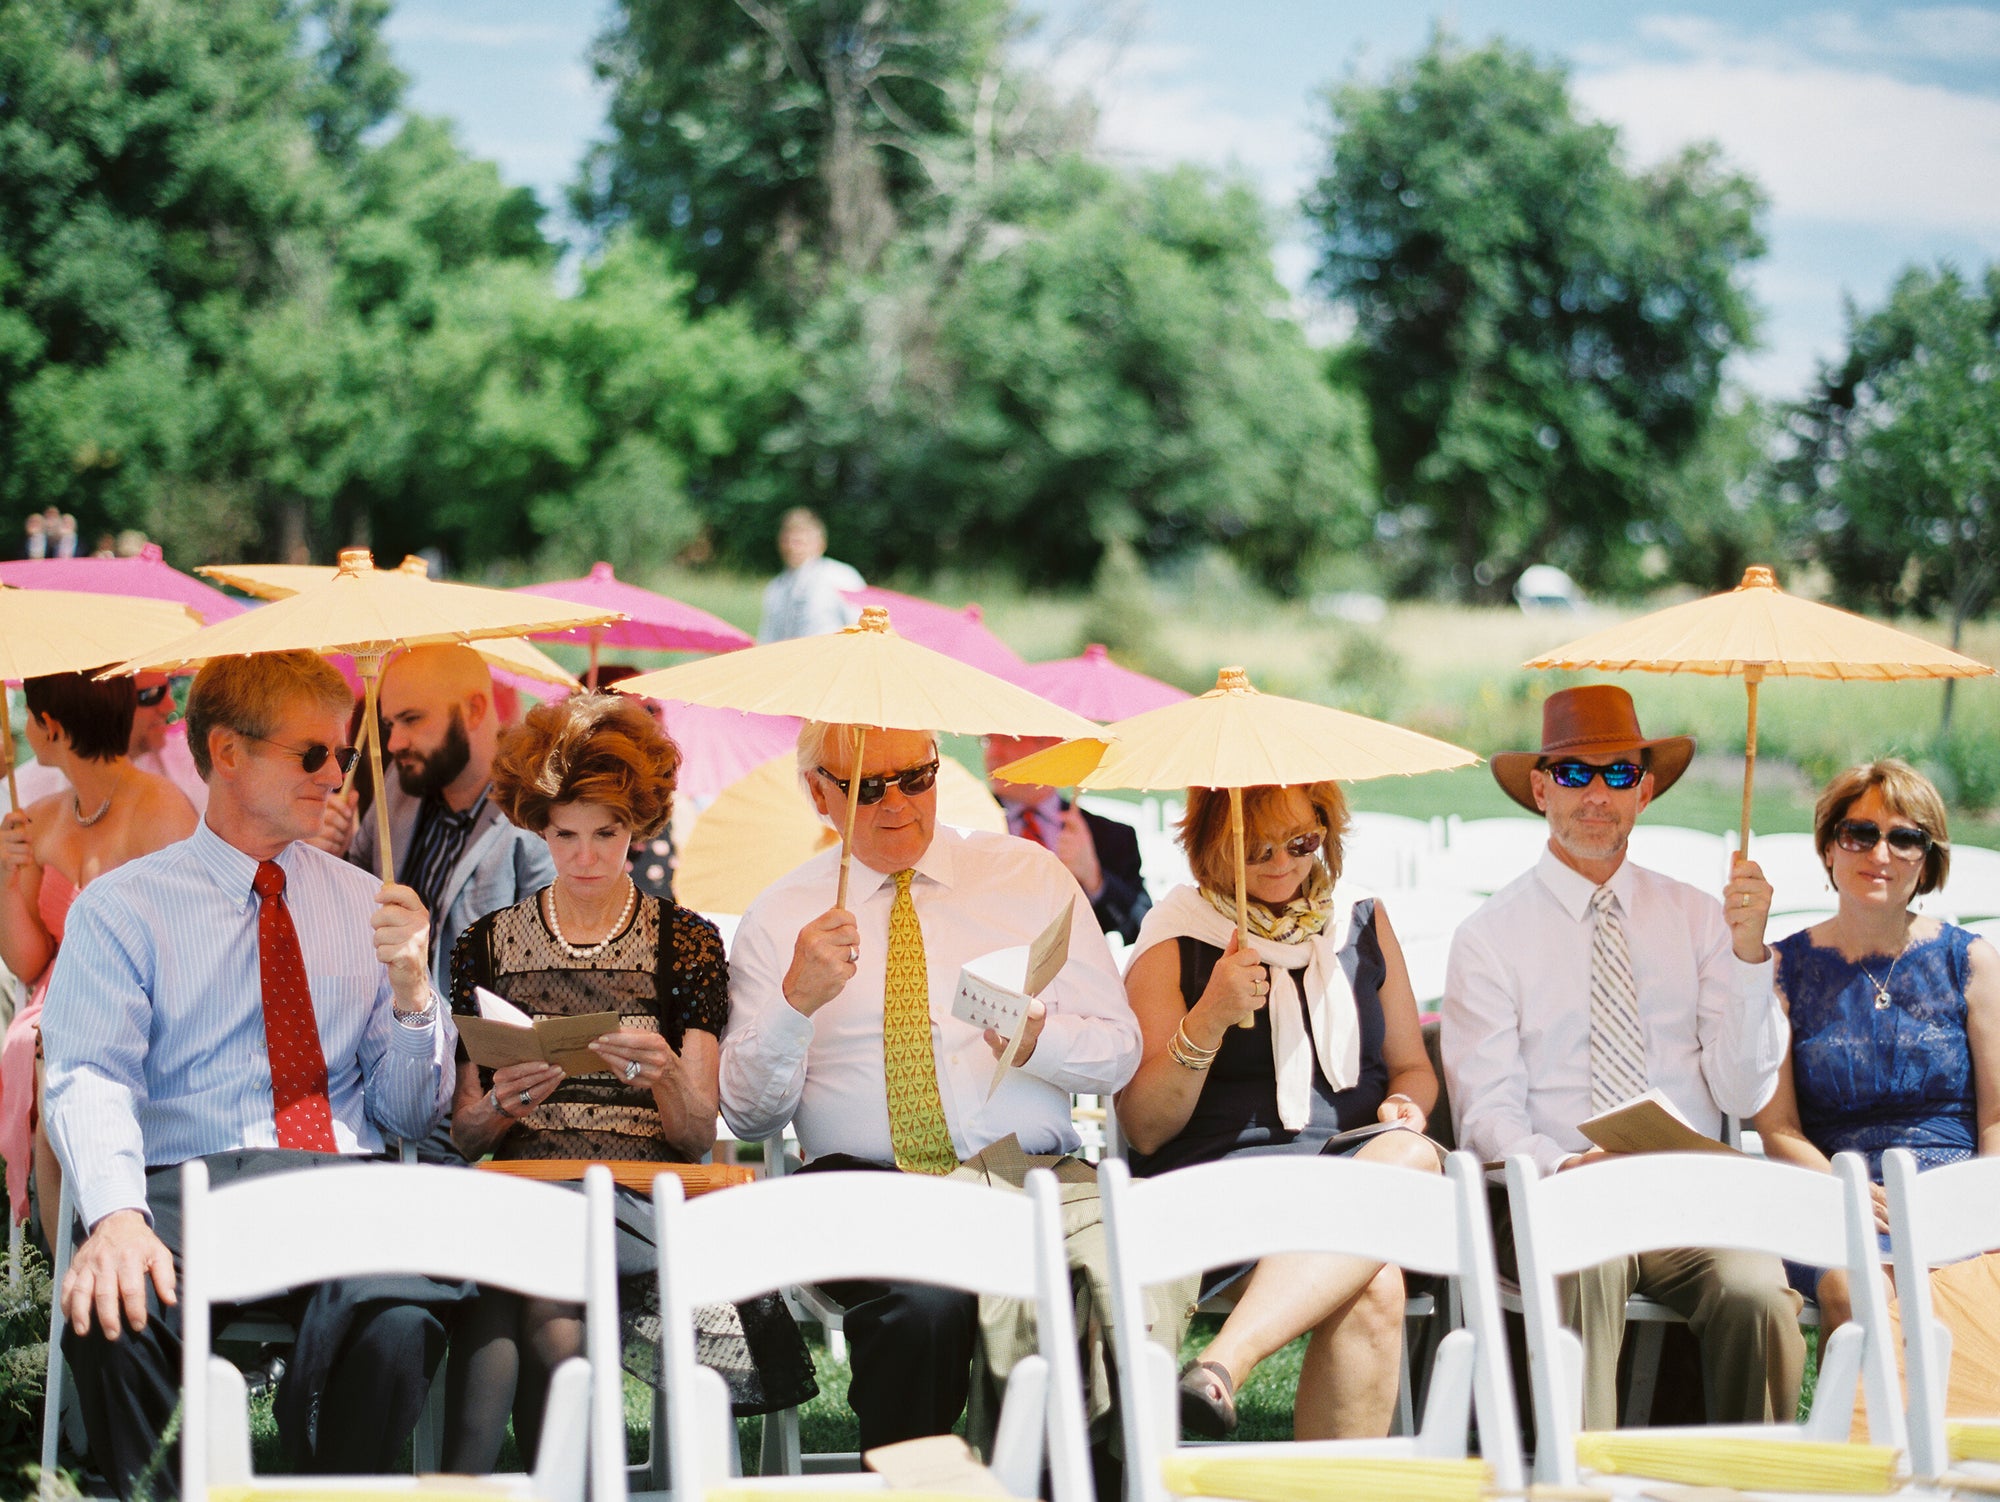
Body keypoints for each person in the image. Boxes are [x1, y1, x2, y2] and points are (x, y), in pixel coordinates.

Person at [39, 650, 455, 1498]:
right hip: (192, 1188)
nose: (337, 775)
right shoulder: (125, 907)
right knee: (119, 1292)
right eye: (313, 755)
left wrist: (415, 992)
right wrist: (114, 1215)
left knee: (405, 1317)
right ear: (227, 752)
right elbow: (89, 1074)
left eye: (343, 753)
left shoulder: (365, 900)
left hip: (342, 1183)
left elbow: (411, 1115)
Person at [723, 722, 1139, 1449]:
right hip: (870, 1186)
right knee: (923, 1305)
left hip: (1025, 1172)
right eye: (866, 787)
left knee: (1090, 1293)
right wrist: (796, 1003)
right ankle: (909, 1482)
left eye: (916, 777)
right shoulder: (780, 917)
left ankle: (1066, 1483)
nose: (898, 804)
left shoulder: (1027, 876)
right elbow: (751, 1115)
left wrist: (1044, 1038)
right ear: (818, 792)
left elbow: (1120, 1053)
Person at [439, 692, 812, 1470]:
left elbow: (695, 1133)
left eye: (606, 834)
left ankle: (470, 1485)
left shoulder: (686, 944)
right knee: (532, 1313)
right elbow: (464, 1132)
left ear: (637, 827)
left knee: (518, 1302)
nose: (585, 857)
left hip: (640, 1208)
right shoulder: (487, 945)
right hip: (524, 1193)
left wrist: (669, 1071)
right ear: (538, 827)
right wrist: (504, 1103)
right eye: (565, 835)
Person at [1442, 683, 1796, 1431]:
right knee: (1592, 1251)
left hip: (1685, 1193)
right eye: (1574, 774)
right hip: (1559, 1187)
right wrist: (1570, 1167)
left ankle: (1751, 1484)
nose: (1595, 794)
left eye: (1617, 774)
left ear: (1645, 791)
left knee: (1759, 1292)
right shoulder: (1489, 936)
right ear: (1541, 789)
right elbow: (1487, 1115)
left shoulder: (1702, 918)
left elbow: (1739, 1089)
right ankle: (1583, 1480)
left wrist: (1748, 955)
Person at [1116, 780, 1442, 1439]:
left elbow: (1412, 1068)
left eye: (1301, 842)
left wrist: (1408, 1102)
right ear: (1212, 846)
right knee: (1375, 1275)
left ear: (1326, 829)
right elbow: (1145, 1128)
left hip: (1349, 1167)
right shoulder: (1176, 936)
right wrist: (1209, 1019)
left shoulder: (1361, 918)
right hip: (1219, 1183)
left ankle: (1220, 1365)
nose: (1280, 863)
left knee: (1409, 1151)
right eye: (1255, 848)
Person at [1751, 759, 2000, 1333]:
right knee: (1857, 1287)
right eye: (1859, 833)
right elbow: (1778, 1127)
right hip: (1836, 1196)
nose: (1879, 854)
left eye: (1905, 838)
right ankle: (1874, 1423)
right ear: (1830, 848)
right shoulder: (1784, 970)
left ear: (1928, 859)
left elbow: (1996, 1117)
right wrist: (1847, 1187)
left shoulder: (1972, 963)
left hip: (1957, 1195)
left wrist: (1982, 1211)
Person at [0, 671, 197, 1246]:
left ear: (51, 728)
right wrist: (7, 878)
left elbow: (185, 947)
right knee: (35, 1044)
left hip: (144, 997)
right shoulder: (35, 816)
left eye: (30, 716)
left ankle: (76, 1253)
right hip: (53, 995)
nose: (26, 728)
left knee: (55, 1051)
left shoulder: (163, 810)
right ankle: (57, 1254)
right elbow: (28, 960)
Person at [317, 645, 553, 995]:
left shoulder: (535, 816)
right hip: (379, 1027)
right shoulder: (400, 782)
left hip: (473, 1043)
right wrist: (331, 853)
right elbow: (354, 900)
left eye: (412, 719)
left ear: (474, 710)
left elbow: (547, 971)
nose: (395, 742)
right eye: (389, 724)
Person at [983, 733, 1151, 944]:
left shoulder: (1111, 836)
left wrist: (1094, 878)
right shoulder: (968, 824)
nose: (992, 753)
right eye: (987, 740)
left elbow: (1141, 926)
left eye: (1007, 740)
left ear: (1050, 745)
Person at [13, 672, 208, 815]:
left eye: (168, 688)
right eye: (150, 695)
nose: (170, 706)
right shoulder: (21, 794)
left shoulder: (199, 766)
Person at [593, 664, 678, 900]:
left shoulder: (655, 786)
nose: (659, 717)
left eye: (659, 707)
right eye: (648, 708)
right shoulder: (590, 794)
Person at [756, 508, 863, 643]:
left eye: (800, 542)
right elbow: (768, 639)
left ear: (820, 544)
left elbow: (862, 627)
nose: (792, 548)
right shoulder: (775, 587)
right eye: (787, 541)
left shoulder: (841, 577)